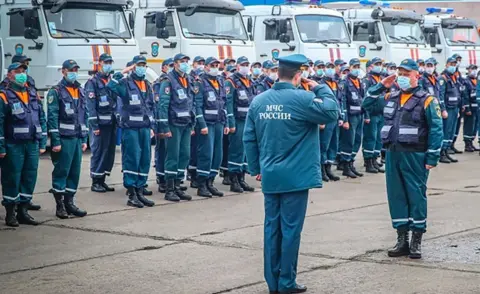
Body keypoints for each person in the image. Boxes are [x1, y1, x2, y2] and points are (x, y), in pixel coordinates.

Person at [243, 53, 338, 294]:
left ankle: (272, 282)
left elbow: (249, 138)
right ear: (299, 75)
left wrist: (256, 169)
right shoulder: (303, 98)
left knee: (271, 229)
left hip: (270, 175)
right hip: (296, 178)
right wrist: (322, 89)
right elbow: (331, 113)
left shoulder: (259, 101)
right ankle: (286, 282)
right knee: (291, 230)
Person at [373, 58, 443, 259]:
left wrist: (432, 156)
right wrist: (381, 85)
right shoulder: (391, 96)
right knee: (396, 196)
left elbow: (436, 130)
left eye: (407, 74)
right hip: (393, 154)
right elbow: (367, 104)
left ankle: (416, 241)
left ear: (416, 76)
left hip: (415, 155)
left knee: (416, 196)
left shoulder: (427, 100)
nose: (403, 78)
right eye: (400, 74)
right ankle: (402, 239)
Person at [0, 63, 47, 226]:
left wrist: (42, 141)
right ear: (9, 75)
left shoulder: (32, 93)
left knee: (29, 176)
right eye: (17, 72)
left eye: (24, 71)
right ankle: (10, 213)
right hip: (14, 144)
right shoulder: (4, 95)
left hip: (32, 143)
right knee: (12, 177)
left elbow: (41, 118)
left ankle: (23, 211)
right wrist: (1, 146)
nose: (22, 74)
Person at [107, 55, 155, 208]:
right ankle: (132, 193)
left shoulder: (147, 84)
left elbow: (151, 107)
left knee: (145, 160)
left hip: (145, 129)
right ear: (133, 66)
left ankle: (140, 191)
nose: (141, 68)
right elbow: (111, 87)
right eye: (139, 65)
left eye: (144, 65)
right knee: (132, 159)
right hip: (131, 129)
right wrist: (122, 71)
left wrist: (152, 126)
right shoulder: (126, 84)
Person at [47, 59, 88, 219]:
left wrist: (84, 138)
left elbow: (84, 116)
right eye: (71, 70)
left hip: (77, 139)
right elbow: (53, 116)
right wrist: (55, 141)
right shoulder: (56, 91)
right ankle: (60, 205)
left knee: (74, 172)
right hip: (64, 139)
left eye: (76, 69)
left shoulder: (80, 90)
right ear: (63, 71)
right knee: (61, 171)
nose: (74, 72)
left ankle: (70, 203)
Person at [158, 53, 196, 202]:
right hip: (173, 124)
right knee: (172, 156)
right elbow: (163, 105)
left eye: (187, 61)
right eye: (182, 61)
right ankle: (169, 188)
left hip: (186, 123)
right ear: (175, 64)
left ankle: (178, 185)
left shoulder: (187, 79)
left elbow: (190, 102)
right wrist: (164, 127)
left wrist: (192, 123)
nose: (185, 64)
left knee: (185, 155)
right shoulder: (168, 80)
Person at [194, 57, 229, 197]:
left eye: (216, 65)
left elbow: (224, 103)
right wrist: (201, 124)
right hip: (207, 124)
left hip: (219, 122)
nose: (215, 67)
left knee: (217, 154)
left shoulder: (220, 81)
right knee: (206, 153)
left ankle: (211, 182)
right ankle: (201, 184)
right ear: (206, 67)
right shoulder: (200, 82)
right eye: (212, 65)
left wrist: (226, 122)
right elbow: (197, 105)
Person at [85, 53, 117, 193]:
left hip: (111, 123)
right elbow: (90, 106)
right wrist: (94, 126)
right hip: (99, 125)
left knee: (108, 152)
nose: (108, 65)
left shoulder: (110, 81)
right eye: (106, 62)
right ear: (100, 64)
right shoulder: (92, 83)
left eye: (110, 62)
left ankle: (102, 179)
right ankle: (95, 181)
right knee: (98, 151)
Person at [225, 56, 255, 193]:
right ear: (237, 66)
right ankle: (234, 180)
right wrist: (230, 122)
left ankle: (242, 178)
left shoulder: (249, 81)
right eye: (243, 64)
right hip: (237, 120)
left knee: (244, 151)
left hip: (248, 120)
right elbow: (228, 103)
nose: (245, 67)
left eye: (247, 64)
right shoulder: (231, 82)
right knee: (236, 150)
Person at [338, 58, 365, 178]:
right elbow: (343, 101)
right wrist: (345, 120)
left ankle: (351, 162)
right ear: (350, 68)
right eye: (354, 67)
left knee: (357, 140)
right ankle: (345, 165)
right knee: (348, 141)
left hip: (360, 115)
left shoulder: (359, 81)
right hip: (351, 116)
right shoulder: (345, 82)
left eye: (358, 66)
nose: (357, 69)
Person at [362, 57, 385, 173]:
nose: (379, 66)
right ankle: (368, 161)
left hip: (380, 113)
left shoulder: (380, 79)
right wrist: (366, 115)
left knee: (378, 139)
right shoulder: (367, 80)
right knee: (370, 138)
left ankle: (375, 159)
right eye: (377, 64)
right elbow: (365, 99)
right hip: (371, 114)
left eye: (380, 64)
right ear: (370, 67)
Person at [320, 62, 343, 181]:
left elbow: (340, 100)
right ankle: (322, 169)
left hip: (335, 117)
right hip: (326, 117)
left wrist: (341, 117)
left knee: (334, 144)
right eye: (327, 67)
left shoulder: (336, 83)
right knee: (324, 144)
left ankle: (329, 168)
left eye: (331, 67)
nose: (330, 70)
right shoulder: (321, 84)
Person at [154, 58, 174, 193]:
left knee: (170, 152)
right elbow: (158, 105)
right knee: (162, 152)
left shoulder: (174, 82)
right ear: (163, 68)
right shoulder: (160, 83)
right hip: (161, 122)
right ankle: (161, 179)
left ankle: (170, 180)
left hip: (170, 122)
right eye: (170, 66)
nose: (173, 68)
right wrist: (160, 126)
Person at [438, 57, 461, 163]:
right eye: (451, 64)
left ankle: (447, 150)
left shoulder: (453, 77)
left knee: (451, 131)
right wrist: (443, 109)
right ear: (446, 64)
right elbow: (440, 95)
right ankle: (441, 153)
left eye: (454, 64)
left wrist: (458, 109)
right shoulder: (443, 78)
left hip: (454, 108)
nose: (453, 66)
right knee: (445, 131)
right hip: (447, 108)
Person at [188, 56, 205, 189]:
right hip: (195, 120)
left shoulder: (203, 78)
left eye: (202, 63)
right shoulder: (191, 79)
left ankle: (198, 174)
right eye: (198, 63)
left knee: (199, 150)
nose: (201, 65)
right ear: (193, 64)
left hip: (203, 119)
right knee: (193, 149)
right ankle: (192, 174)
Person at [220, 64, 237, 186]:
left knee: (240, 150)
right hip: (231, 120)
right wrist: (229, 122)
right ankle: (228, 175)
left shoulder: (246, 82)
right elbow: (228, 104)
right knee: (228, 149)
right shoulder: (228, 83)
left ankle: (239, 177)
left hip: (239, 119)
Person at [462, 64, 479, 152]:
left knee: (475, 126)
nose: (474, 70)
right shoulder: (466, 81)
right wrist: (467, 108)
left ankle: (471, 142)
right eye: (472, 69)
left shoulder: (477, 80)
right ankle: (467, 144)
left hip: (477, 108)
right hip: (470, 109)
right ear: (468, 70)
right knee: (469, 126)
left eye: (475, 69)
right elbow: (465, 96)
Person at [451, 54, 465, 154]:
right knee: (450, 127)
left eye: (459, 60)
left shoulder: (458, 73)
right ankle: (448, 146)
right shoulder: (448, 75)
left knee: (456, 126)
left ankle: (453, 144)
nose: (458, 62)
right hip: (451, 105)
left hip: (458, 103)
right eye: (456, 60)